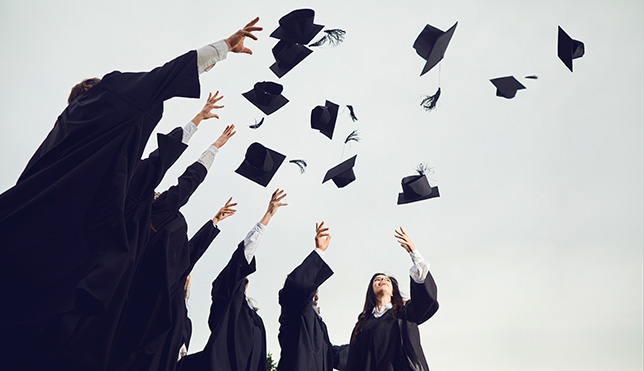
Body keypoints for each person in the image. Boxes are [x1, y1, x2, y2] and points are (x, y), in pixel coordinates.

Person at [0, 18, 261, 369]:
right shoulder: (99, 102)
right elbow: (156, 86)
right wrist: (223, 48)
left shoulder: (67, 148)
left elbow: (156, 166)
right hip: (73, 290)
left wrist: (199, 125)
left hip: (24, 263)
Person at [112, 120, 237, 371]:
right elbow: (187, 182)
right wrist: (213, 145)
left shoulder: (149, 218)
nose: (158, 193)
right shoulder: (155, 209)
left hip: (139, 302)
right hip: (145, 301)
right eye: (155, 192)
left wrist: (213, 222)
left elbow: (189, 254)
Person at [179, 189, 288, 371]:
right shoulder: (227, 299)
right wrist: (266, 217)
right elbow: (239, 260)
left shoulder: (257, 321)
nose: (243, 276)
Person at [346, 228, 439, 371]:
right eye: (377, 279)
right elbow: (353, 363)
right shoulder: (362, 326)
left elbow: (427, 300)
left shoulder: (405, 314)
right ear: (371, 290)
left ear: (393, 292)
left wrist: (414, 253)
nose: (382, 280)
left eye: (386, 280)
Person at [277, 222, 349, 371]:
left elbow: (330, 354)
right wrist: (319, 251)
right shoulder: (293, 307)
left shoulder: (317, 320)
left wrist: (365, 345)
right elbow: (297, 286)